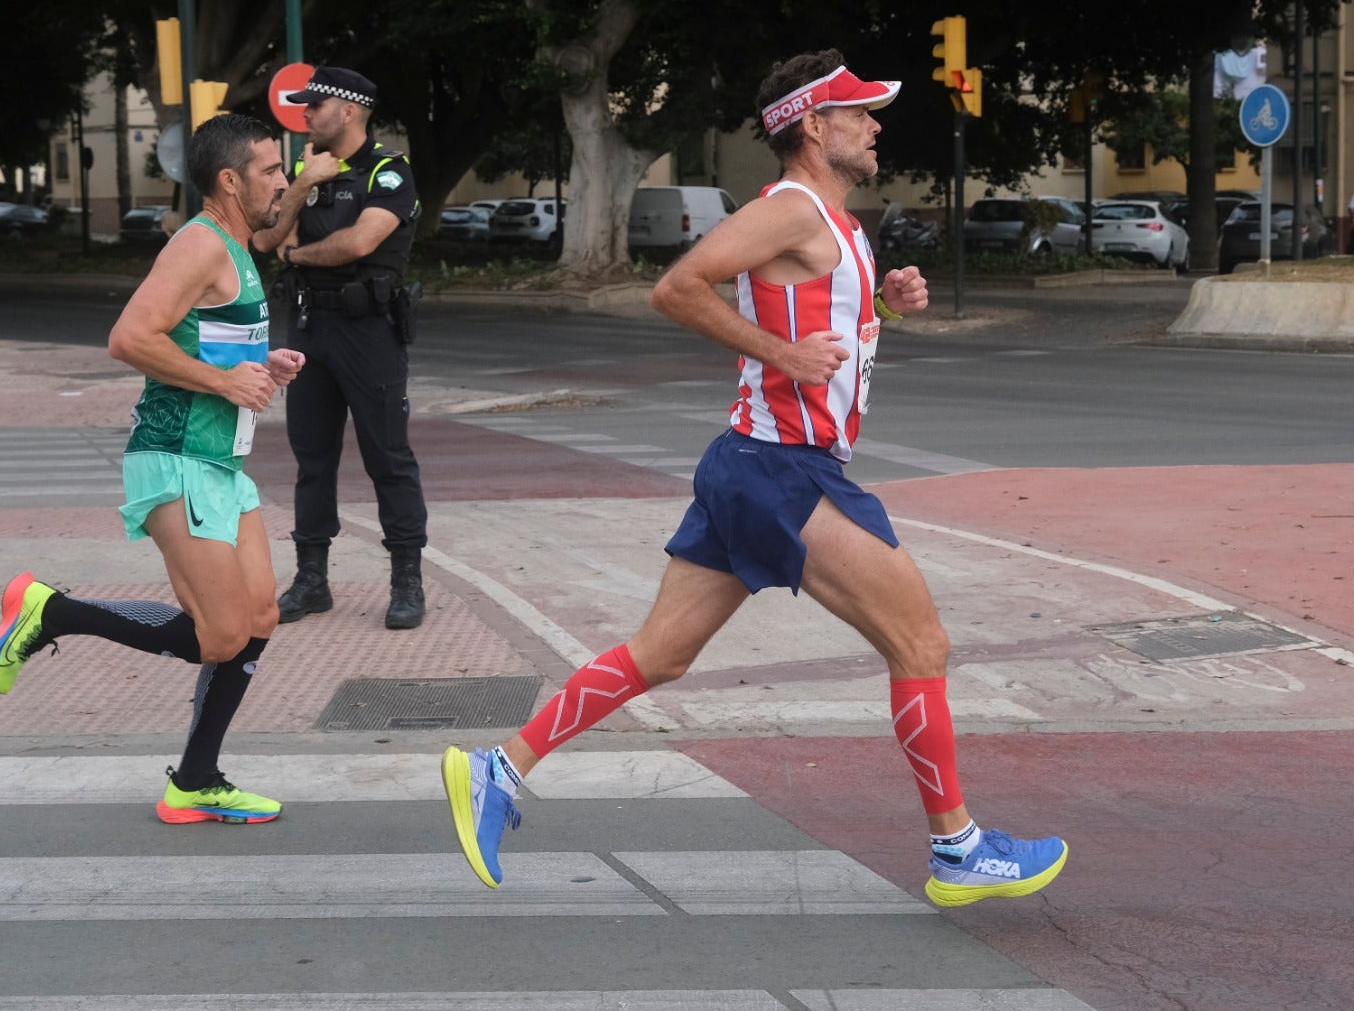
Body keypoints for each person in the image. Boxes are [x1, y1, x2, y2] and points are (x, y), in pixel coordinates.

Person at [440, 49, 1068, 910]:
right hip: (783, 471)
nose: (876, 125)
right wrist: (782, 354)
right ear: (814, 126)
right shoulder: (791, 210)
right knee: (920, 645)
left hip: (750, 464)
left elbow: (819, 327)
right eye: (860, 113)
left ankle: (498, 769)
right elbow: (676, 287)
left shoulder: (837, 225)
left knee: (660, 653)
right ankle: (957, 849)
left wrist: (883, 306)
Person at [0, 114, 305, 824]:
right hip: (176, 457)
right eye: (271, 169)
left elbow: (207, 340)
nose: (283, 179)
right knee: (218, 635)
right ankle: (52, 609)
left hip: (222, 462)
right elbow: (129, 337)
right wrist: (224, 385)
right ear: (230, 180)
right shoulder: (198, 243)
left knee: (259, 616)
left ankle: (195, 779)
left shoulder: (240, 245)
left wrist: (260, 365)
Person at [251, 65, 428, 631]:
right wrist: (300, 187)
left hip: (368, 330)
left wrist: (298, 254)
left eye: (314, 106)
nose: (304, 115)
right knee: (312, 458)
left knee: (388, 459)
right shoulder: (304, 169)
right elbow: (263, 238)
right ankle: (311, 580)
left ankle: (406, 580)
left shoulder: (389, 172)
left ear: (347, 110)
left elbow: (359, 242)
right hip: (308, 327)